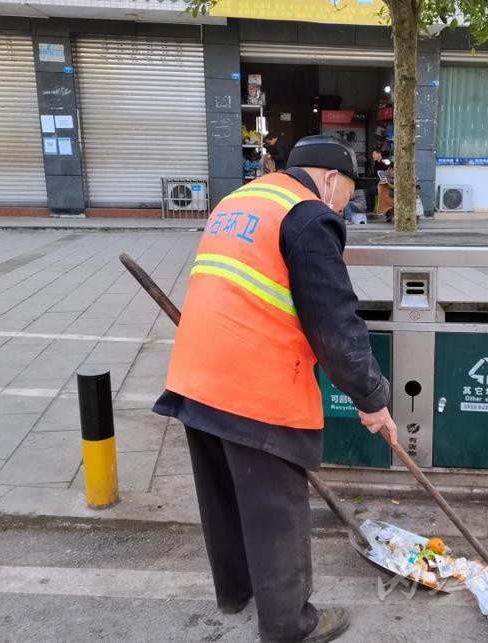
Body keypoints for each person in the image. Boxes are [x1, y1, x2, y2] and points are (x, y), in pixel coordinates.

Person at [153, 135, 397, 643]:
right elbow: (334, 324)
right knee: (276, 510)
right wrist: (373, 399)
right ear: (330, 179)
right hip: (254, 388)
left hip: (197, 375)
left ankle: (237, 592)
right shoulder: (308, 215)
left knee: (224, 497)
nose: (347, 206)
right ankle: (290, 624)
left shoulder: (239, 201)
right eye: (349, 193)